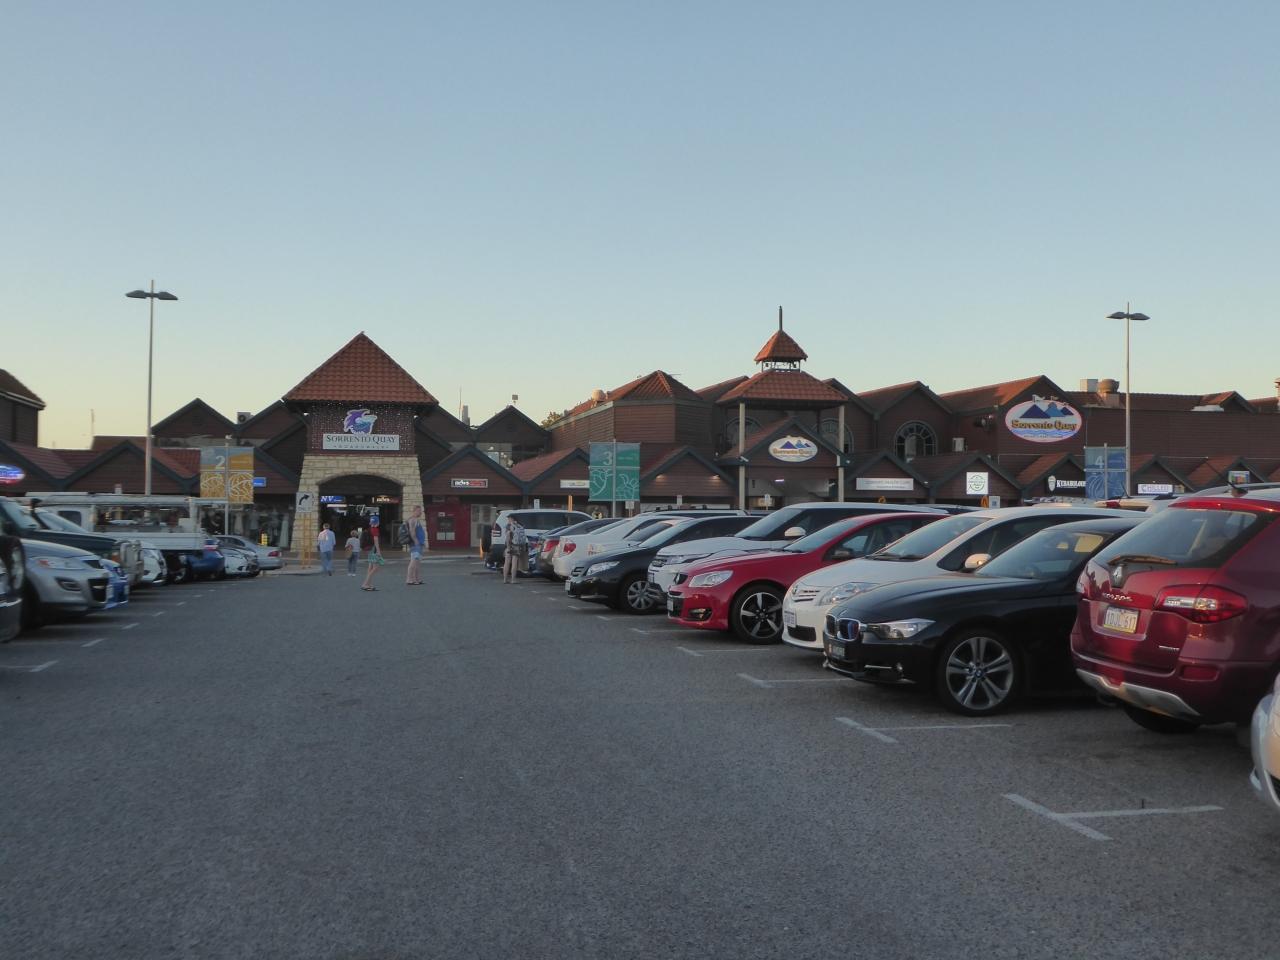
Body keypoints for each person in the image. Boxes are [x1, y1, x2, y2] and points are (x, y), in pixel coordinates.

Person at [405, 507, 426, 586]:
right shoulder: (412, 520)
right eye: (419, 511)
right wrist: (416, 541)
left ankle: (417, 579)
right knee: (413, 561)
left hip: (419, 544)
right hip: (415, 544)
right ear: (414, 511)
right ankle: (409, 579)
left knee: (417, 562)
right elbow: (412, 531)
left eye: (421, 511)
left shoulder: (416, 520)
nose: (420, 512)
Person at [502, 515, 527, 584]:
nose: (508, 520)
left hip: (510, 546)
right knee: (514, 563)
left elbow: (508, 537)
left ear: (512, 519)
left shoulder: (509, 526)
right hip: (517, 546)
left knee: (506, 563)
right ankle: (513, 580)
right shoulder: (519, 526)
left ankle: (505, 579)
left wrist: (508, 547)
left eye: (509, 519)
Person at [361, 525, 383, 591]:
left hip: (369, 550)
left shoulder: (369, 529)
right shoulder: (375, 529)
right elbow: (376, 541)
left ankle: (369, 584)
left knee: (370, 568)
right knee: (375, 568)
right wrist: (379, 552)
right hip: (374, 550)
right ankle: (365, 584)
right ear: (377, 522)